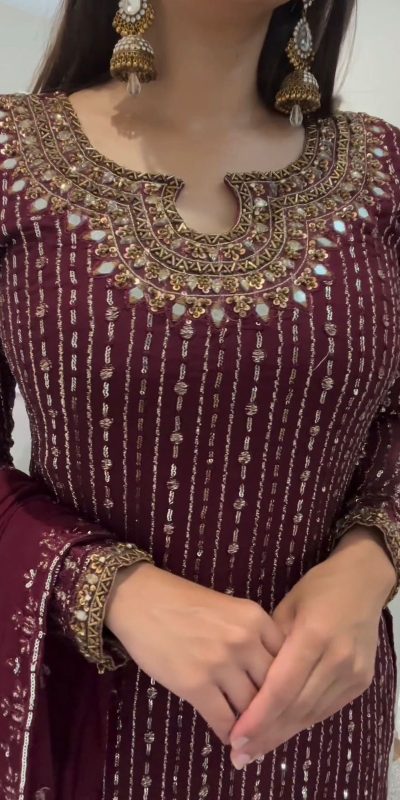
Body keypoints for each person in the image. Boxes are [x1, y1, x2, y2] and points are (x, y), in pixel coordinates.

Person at [0, 0, 399, 797]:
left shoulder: (384, 173)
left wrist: (368, 563)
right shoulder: (12, 160)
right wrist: (110, 586)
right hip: (89, 723)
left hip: (316, 730)